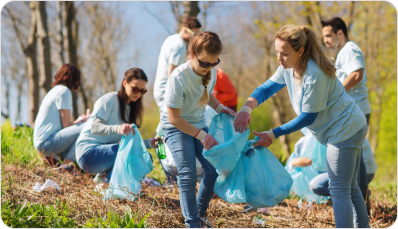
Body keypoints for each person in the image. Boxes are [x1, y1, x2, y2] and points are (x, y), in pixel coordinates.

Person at [233, 25, 369, 228]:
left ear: (300, 51)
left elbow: (308, 117)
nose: (279, 59)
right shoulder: (288, 67)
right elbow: (266, 89)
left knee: (340, 190)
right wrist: (246, 108)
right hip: (347, 126)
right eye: (277, 52)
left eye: (284, 54)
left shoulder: (314, 73)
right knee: (350, 188)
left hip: (345, 129)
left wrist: (273, 133)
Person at [161, 31, 235, 228]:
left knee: (213, 170)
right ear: (192, 54)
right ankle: (192, 223)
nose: (208, 68)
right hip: (175, 127)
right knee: (188, 173)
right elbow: (173, 118)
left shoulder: (209, 74)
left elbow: (207, 94)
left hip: (198, 123)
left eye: (214, 63)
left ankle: (200, 214)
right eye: (204, 63)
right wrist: (202, 135)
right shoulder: (178, 78)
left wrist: (220, 108)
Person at [322, 16, 373, 207]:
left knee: (355, 161)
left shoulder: (350, 49)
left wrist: (337, 93)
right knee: (356, 160)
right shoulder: (343, 52)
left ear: (340, 33)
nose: (326, 40)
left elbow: (357, 74)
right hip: (353, 114)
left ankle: (362, 206)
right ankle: (362, 205)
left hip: (357, 112)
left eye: (329, 35)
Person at [75, 68, 158, 185]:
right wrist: (118, 128)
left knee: (146, 157)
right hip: (87, 154)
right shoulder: (109, 100)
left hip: (105, 155)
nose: (138, 94)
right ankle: (106, 184)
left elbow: (130, 143)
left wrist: (150, 143)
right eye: (135, 89)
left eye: (142, 91)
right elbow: (95, 127)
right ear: (124, 83)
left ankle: (102, 180)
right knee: (135, 155)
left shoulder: (131, 110)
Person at [33, 64, 88, 167]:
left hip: (42, 143)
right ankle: (67, 165)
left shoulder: (54, 91)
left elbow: (62, 125)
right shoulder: (64, 91)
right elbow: (66, 125)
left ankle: (55, 159)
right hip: (46, 143)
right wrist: (83, 122)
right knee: (87, 126)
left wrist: (79, 121)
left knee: (82, 128)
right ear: (75, 79)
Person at [153, 17, 202, 109]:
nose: (195, 38)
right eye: (194, 34)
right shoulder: (180, 46)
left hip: (159, 90)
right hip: (167, 93)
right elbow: (172, 75)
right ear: (185, 30)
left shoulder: (171, 38)